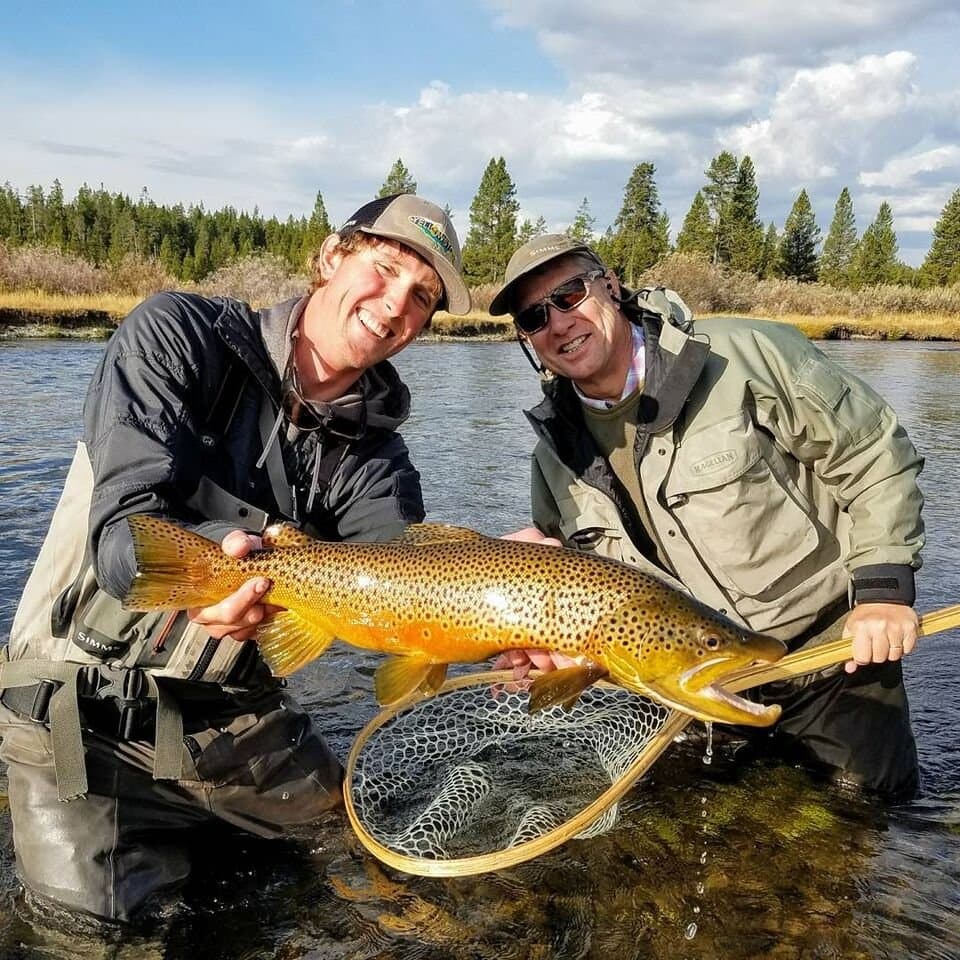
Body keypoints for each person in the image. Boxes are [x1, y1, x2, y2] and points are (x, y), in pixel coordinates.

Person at [0, 193, 471, 921]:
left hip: (232, 716)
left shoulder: (376, 454)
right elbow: (127, 531)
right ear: (330, 257)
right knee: (91, 938)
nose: (395, 305)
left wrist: (508, 586)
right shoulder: (178, 334)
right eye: (383, 270)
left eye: (422, 297)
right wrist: (200, 585)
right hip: (78, 711)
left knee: (382, 880)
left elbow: (402, 576)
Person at [490, 234, 924, 798]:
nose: (559, 322)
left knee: (863, 826)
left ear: (611, 285)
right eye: (534, 315)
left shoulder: (743, 354)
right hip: (688, 687)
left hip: (831, 664)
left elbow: (874, 453)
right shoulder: (553, 456)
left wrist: (884, 591)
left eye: (570, 294)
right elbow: (579, 586)